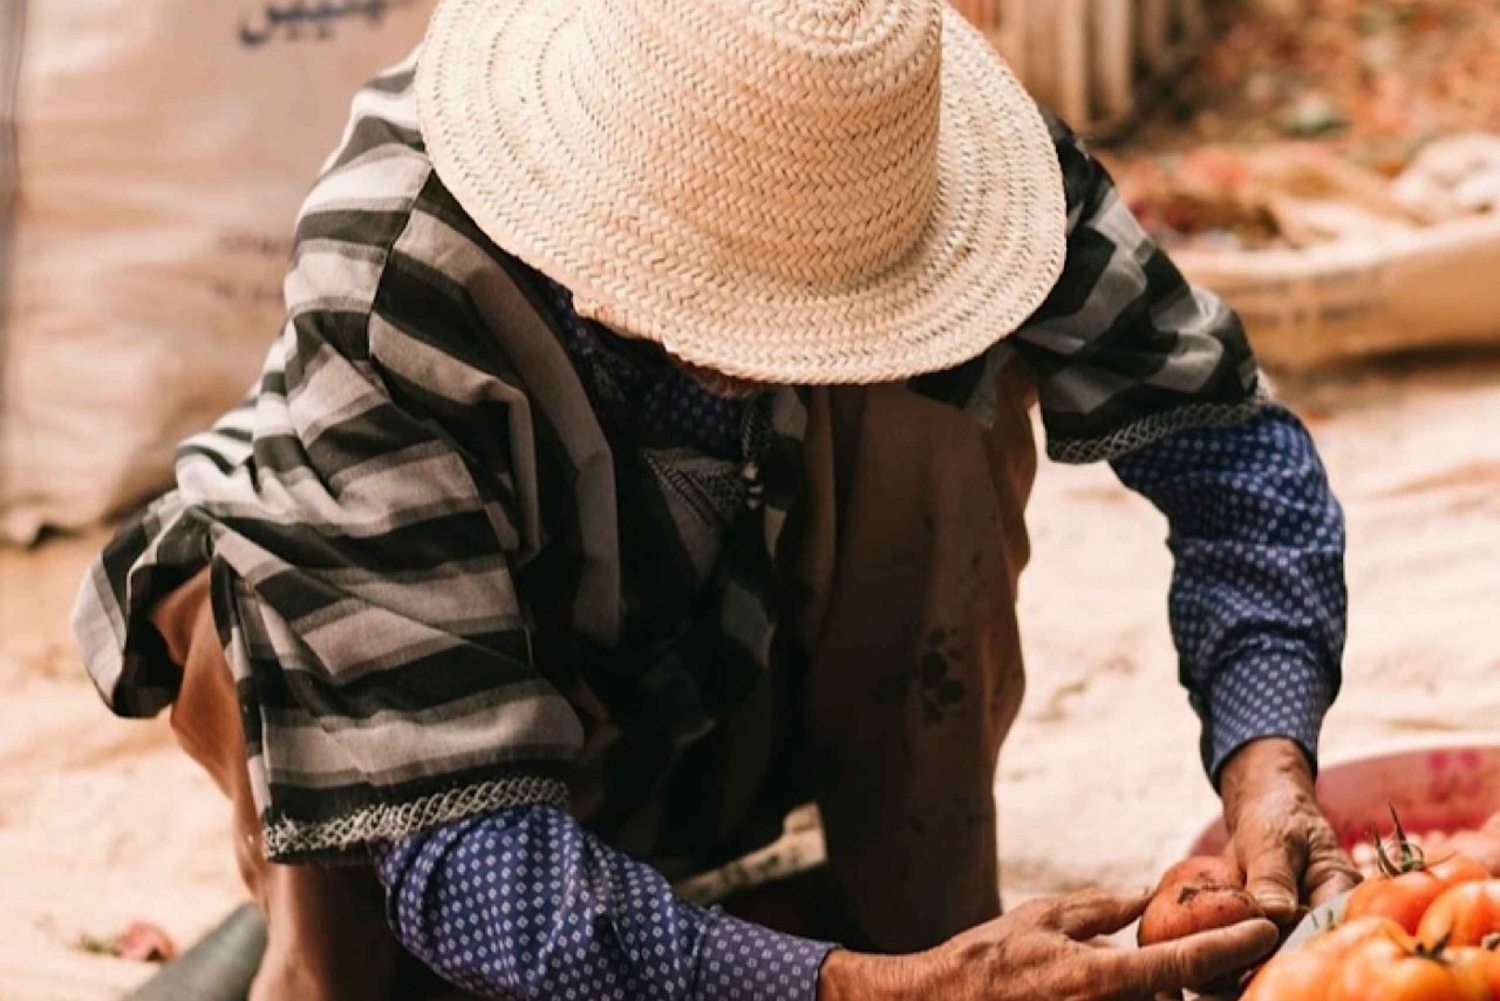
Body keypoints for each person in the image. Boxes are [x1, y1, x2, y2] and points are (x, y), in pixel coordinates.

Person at [74, 0, 1358, 997]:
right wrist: (873, 990)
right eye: (756, 312)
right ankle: (342, 940)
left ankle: (902, 910)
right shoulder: (391, 284)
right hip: (441, 745)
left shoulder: (920, 152)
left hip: (735, 661)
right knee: (387, 884)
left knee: (937, 427)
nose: (790, 348)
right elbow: (483, 872)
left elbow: (1222, 437)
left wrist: (1267, 762)